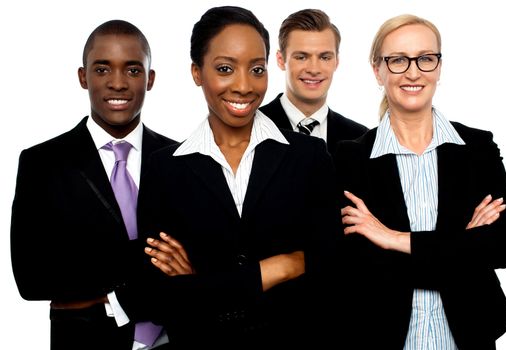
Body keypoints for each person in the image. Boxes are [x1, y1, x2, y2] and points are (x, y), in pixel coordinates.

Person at [114, 6, 342, 349]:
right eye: (225, 69)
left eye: (257, 69)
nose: (243, 86)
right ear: (196, 72)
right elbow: (157, 298)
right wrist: (279, 267)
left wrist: (200, 283)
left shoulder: (309, 156)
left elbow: (333, 274)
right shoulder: (165, 168)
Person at [335, 14, 506, 349]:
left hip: (469, 336)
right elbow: (357, 265)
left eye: (425, 58)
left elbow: (502, 247)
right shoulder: (351, 159)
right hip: (381, 338)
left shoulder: (477, 148)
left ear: (438, 66)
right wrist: (463, 247)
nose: (413, 71)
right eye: (397, 60)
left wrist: (391, 238)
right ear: (377, 70)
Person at [10, 20, 177, 350]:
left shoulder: (182, 158)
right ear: (83, 77)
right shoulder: (43, 163)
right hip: (85, 340)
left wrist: (84, 261)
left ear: (150, 78)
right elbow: (31, 277)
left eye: (132, 70)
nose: (117, 83)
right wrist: (150, 263)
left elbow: (205, 261)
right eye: (102, 70)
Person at [259, 8, 368, 156]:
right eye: (301, 57)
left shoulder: (360, 137)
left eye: (324, 57)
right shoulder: (253, 127)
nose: (314, 69)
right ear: (280, 60)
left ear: (336, 61)